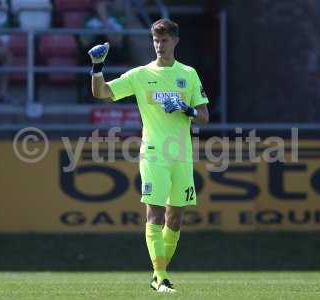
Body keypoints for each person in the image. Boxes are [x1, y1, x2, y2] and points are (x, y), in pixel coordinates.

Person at [89, 19, 209, 293]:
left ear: (175, 41)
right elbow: (102, 93)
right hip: (154, 153)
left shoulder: (188, 74)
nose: (159, 44)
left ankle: (159, 273)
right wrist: (97, 68)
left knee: (175, 218)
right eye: (155, 40)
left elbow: (204, 117)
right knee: (154, 213)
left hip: (182, 155)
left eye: (164, 40)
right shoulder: (141, 75)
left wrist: (186, 109)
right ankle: (160, 276)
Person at [80, 0, 126, 65]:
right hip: (91, 59)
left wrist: (104, 19)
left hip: (112, 57)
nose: (100, 4)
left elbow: (117, 42)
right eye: (98, 2)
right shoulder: (88, 20)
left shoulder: (117, 20)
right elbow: (84, 43)